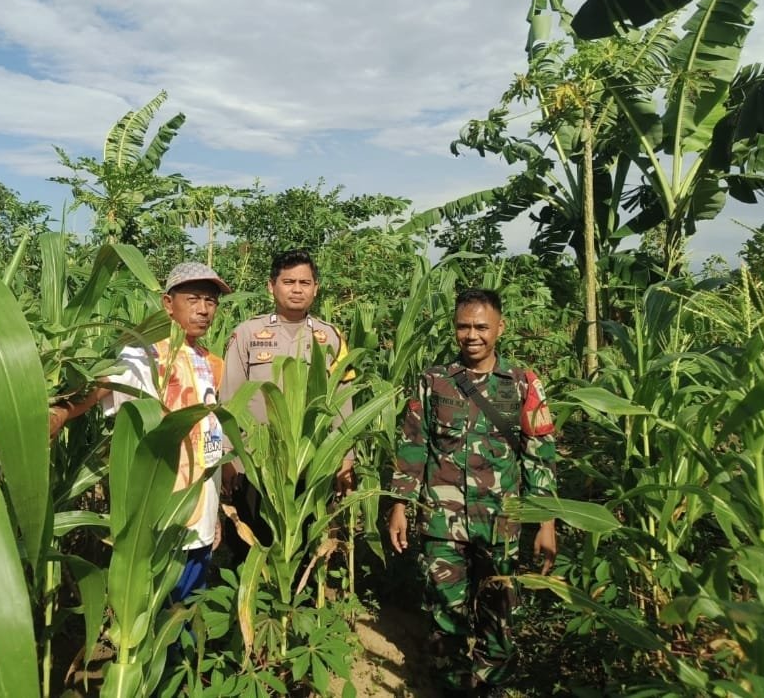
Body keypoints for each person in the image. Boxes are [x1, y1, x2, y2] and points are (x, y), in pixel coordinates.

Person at [387, 288, 558, 696]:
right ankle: (450, 687)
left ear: (500, 328)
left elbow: (540, 457)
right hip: (442, 523)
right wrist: (399, 505)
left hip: (502, 522)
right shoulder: (433, 381)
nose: (472, 335)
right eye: (463, 326)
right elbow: (414, 446)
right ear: (454, 329)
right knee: (444, 613)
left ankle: (491, 686)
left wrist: (546, 525)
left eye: (481, 326)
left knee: (499, 614)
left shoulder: (522, 383)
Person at [49, 261, 232, 602]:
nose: (204, 310)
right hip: (160, 509)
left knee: (188, 607)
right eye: (193, 299)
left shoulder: (212, 362)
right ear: (167, 303)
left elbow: (211, 439)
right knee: (156, 604)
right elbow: (101, 386)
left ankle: (181, 656)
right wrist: (62, 412)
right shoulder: (143, 354)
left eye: (211, 302)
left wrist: (215, 512)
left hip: (201, 511)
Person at [220, 249, 356, 553]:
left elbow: (343, 400)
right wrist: (228, 457)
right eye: (288, 281)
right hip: (255, 464)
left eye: (305, 283)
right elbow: (229, 399)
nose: (297, 289)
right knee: (251, 546)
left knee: (304, 544)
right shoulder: (247, 334)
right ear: (271, 286)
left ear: (316, 288)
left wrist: (345, 456)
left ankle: (297, 601)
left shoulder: (330, 337)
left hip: (310, 461)